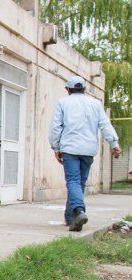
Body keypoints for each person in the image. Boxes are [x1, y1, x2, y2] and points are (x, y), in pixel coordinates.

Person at [48, 76, 122, 232]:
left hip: (70, 149)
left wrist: (55, 148)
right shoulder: (95, 104)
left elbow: (56, 127)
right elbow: (105, 125)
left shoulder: (63, 103)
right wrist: (114, 144)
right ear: (85, 89)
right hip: (88, 150)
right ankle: (71, 218)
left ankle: (79, 211)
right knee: (79, 183)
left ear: (68, 90)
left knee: (73, 181)